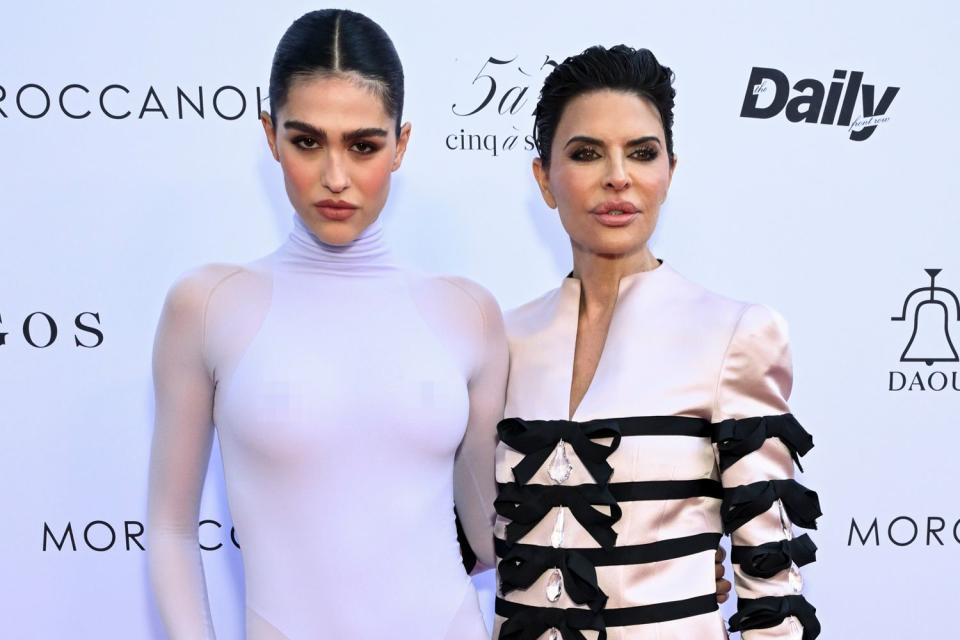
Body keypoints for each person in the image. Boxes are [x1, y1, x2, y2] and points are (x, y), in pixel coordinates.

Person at [146, 10, 505, 639]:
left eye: (363, 145)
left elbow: (489, 530)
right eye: (307, 141)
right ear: (269, 136)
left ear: (401, 144)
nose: (335, 177)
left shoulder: (468, 313)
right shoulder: (207, 306)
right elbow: (172, 530)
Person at [493, 46, 821, 639]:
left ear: (669, 171)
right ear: (544, 179)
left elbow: (771, 579)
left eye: (641, 153)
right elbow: (464, 537)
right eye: (586, 153)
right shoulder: (502, 339)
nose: (618, 175)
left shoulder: (734, 333)